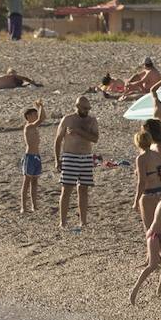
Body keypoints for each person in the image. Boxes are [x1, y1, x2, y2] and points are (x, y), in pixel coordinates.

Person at [54, 95, 99, 229]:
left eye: (88, 108)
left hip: (85, 157)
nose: (87, 111)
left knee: (83, 189)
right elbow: (57, 140)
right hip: (70, 157)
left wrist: (79, 131)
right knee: (67, 189)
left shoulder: (92, 120)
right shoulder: (67, 119)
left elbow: (95, 138)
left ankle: (83, 222)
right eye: (85, 108)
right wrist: (57, 159)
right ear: (77, 106)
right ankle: (63, 222)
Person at [131, 126, 161, 231]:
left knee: (149, 228)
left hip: (148, 194)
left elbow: (142, 181)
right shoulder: (157, 155)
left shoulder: (141, 159)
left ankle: (152, 247)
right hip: (159, 192)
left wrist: (136, 201)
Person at [20, 99, 46, 213]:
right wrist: (40, 106)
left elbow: (43, 118)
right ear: (28, 116)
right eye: (34, 114)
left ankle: (34, 206)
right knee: (26, 182)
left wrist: (40, 107)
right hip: (29, 156)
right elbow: (41, 119)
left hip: (36, 157)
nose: (36, 116)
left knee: (35, 182)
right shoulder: (28, 127)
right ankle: (23, 207)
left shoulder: (34, 127)